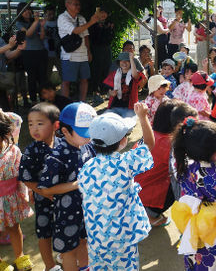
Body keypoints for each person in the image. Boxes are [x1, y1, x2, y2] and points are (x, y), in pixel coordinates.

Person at [78, 104, 154, 270]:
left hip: (96, 234)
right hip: (122, 237)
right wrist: (143, 117)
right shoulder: (124, 163)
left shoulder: (86, 166)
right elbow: (148, 145)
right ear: (123, 140)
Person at [170, 119, 216, 270]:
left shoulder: (181, 163)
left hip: (193, 222)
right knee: (214, 259)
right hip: (214, 226)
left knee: (196, 256)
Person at [38, 102, 97, 271]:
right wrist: (76, 185)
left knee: (83, 241)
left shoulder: (88, 146)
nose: (89, 136)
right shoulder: (56, 157)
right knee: (69, 251)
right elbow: (46, 189)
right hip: (67, 213)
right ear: (65, 131)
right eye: (84, 132)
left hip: (86, 209)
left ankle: (85, 268)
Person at [136, 100, 197, 226]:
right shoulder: (171, 144)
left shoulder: (150, 134)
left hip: (133, 192)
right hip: (147, 197)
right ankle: (150, 215)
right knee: (181, 179)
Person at [19, 103, 63, 271]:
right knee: (44, 234)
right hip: (43, 200)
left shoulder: (63, 145)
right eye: (30, 124)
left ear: (55, 125)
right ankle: (50, 266)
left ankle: (63, 254)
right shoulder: (31, 150)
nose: (34, 128)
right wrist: (44, 193)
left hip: (64, 199)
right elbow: (26, 178)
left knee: (64, 227)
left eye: (40, 123)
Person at [0, 110, 34, 271]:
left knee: (14, 228)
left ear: (5, 133)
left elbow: (22, 172)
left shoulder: (13, 150)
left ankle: (20, 256)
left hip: (11, 199)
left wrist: (28, 192)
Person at [57, 0, 104, 101]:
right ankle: (64, 103)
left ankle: (82, 102)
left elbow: (86, 36)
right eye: (75, 4)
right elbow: (76, 31)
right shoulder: (62, 18)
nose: (78, 6)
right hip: (69, 56)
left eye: (79, 4)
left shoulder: (81, 18)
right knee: (66, 81)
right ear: (67, 5)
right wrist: (91, 22)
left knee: (84, 79)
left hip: (83, 55)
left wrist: (89, 51)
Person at [16, 2, 48, 104]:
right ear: (20, 12)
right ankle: (33, 100)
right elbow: (28, 34)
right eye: (24, 10)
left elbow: (42, 37)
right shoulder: (19, 23)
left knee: (42, 77)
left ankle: (44, 98)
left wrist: (42, 26)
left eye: (28, 9)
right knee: (32, 77)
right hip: (28, 53)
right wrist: (36, 21)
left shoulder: (37, 22)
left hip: (41, 51)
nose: (27, 12)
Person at [103, 52, 145, 119]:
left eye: (127, 61)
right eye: (122, 61)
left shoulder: (134, 73)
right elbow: (108, 89)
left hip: (130, 108)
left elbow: (135, 75)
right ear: (119, 62)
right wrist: (111, 93)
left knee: (127, 123)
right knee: (106, 120)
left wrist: (132, 59)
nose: (124, 63)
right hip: (115, 106)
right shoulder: (114, 74)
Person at [88, 9, 114, 102]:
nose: (103, 15)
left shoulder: (109, 23)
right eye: (101, 13)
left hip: (106, 49)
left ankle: (105, 91)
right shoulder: (92, 23)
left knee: (106, 69)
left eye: (105, 13)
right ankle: (95, 92)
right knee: (96, 70)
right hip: (96, 49)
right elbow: (93, 38)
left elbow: (110, 37)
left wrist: (108, 29)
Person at [0, 35, 26, 110]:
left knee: (5, 107)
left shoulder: (0, 40)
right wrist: (9, 45)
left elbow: (8, 55)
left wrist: (18, 49)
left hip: (2, 78)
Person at [42, 5, 62, 80]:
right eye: (49, 14)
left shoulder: (59, 22)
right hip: (47, 53)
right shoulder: (42, 24)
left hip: (58, 52)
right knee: (47, 74)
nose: (51, 16)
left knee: (62, 73)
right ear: (45, 14)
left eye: (53, 14)